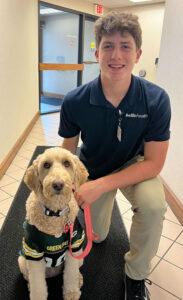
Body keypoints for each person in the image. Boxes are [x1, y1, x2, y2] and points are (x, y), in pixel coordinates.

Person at [58, 11, 171, 300]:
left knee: (154, 205)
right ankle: (98, 222)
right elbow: (67, 154)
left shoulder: (156, 100)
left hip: (136, 164)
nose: (116, 55)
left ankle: (135, 276)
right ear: (96, 53)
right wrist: (71, 188)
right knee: (97, 237)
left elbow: (155, 163)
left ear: (138, 53)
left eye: (125, 46)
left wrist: (102, 185)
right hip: (93, 165)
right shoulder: (75, 101)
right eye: (108, 45)